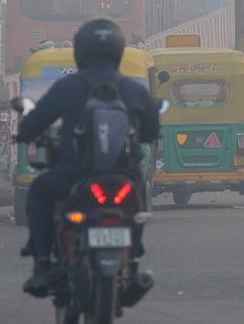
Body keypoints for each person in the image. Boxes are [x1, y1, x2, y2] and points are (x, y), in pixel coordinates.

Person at [15, 19, 160, 296]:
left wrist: (24, 134)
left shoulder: (68, 87)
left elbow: (32, 125)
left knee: (39, 191)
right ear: (118, 51)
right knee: (137, 207)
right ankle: (133, 260)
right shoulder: (134, 89)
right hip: (125, 177)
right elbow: (151, 133)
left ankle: (43, 264)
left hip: (75, 175)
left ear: (80, 51)